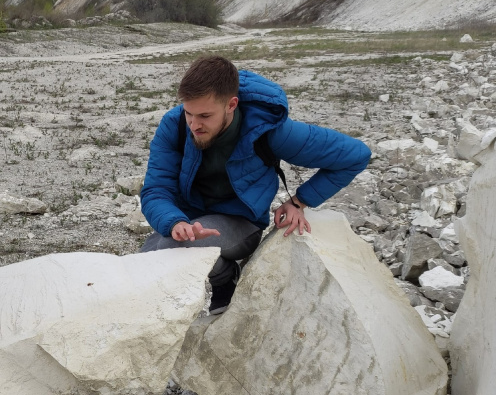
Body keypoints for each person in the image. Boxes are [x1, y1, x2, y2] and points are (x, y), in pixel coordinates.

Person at [140, 55, 371, 312]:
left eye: (205, 115)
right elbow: (155, 189)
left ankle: (224, 277)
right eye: (188, 113)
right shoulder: (175, 126)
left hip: (241, 221)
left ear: (231, 104)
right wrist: (175, 221)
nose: (194, 124)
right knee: (143, 264)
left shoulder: (267, 129)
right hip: (191, 217)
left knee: (174, 247)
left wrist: (300, 201)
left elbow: (355, 155)